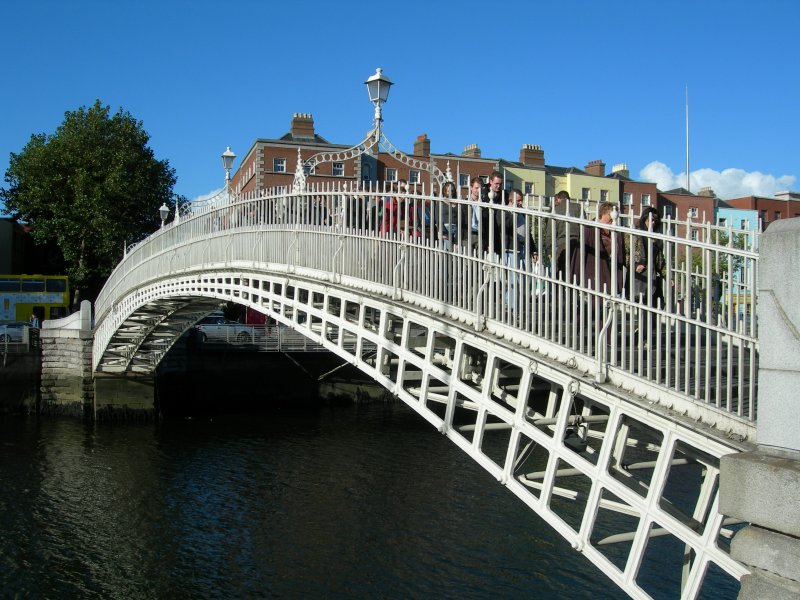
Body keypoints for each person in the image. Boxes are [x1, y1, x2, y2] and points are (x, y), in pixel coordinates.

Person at [571, 201, 623, 296]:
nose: (612, 219)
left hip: (611, 274)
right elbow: (579, 255)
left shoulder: (617, 232)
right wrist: (575, 279)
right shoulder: (589, 229)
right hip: (593, 276)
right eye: (609, 215)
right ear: (602, 214)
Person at [503, 189, 537, 315]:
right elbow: (505, 228)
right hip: (511, 249)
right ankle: (513, 308)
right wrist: (514, 213)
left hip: (523, 248)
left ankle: (508, 299)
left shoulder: (522, 212)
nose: (520, 203)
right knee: (514, 279)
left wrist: (534, 250)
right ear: (510, 200)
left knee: (524, 278)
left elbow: (528, 233)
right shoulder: (505, 212)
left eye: (521, 200)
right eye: (518, 201)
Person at [625, 206, 666, 307]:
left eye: (655, 220)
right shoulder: (634, 234)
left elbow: (660, 261)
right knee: (640, 308)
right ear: (644, 219)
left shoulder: (656, 238)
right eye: (651, 220)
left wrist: (667, 276)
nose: (653, 223)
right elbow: (627, 254)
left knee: (652, 310)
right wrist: (636, 265)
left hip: (651, 278)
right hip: (638, 277)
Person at [549, 190, 582, 280]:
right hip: (577, 242)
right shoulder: (578, 207)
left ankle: (560, 292)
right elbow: (584, 227)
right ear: (569, 199)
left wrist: (549, 249)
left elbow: (550, 232)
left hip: (562, 243)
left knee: (560, 271)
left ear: (559, 199)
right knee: (576, 270)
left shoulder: (555, 210)